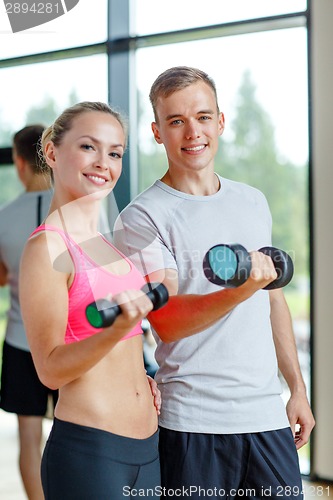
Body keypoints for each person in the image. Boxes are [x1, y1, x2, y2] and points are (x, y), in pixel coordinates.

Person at [114, 66, 315, 499]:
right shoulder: (142, 217)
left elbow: (273, 300)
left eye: (203, 117)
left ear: (220, 122)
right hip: (194, 425)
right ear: (157, 131)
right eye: (176, 121)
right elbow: (165, 321)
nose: (193, 132)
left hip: (266, 419)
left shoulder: (252, 201)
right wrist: (241, 289)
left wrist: (297, 390)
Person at [19, 102, 162, 499]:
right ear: (51, 153)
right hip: (92, 453)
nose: (104, 163)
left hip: (149, 446)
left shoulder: (105, 245)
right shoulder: (47, 246)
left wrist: (144, 378)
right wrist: (114, 330)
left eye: (114, 152)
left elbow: (125, 346)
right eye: (88, 147)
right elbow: (49, 370)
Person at [0, 125, 57, 500]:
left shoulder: (3, 218)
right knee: (76, 432)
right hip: (66, 341)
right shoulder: (73, 210)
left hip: (22, 342)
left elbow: (2, 278)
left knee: (29, 438)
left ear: (19, 163)